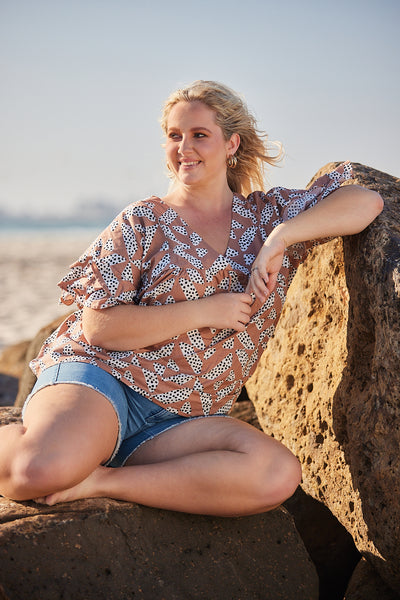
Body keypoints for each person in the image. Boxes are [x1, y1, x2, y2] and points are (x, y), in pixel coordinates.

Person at [0, 81, 383, 516]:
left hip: (181, 421)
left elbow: (365, 201)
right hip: (106, 381)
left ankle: (101, 480)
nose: (184, 148)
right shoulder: (142, 221)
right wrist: (206, 311)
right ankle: (46, 444)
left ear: (231, 144)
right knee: (35, 472)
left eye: (199, 134)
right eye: (174, 135)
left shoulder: (267, 217)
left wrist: (281, 237)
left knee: (276, 473)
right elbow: (100, 328)